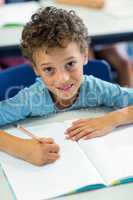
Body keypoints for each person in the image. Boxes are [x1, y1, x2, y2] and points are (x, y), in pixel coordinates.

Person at [0, 7, 133, 167]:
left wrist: (112, 119)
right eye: (49, 69)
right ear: (35, 69)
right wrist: (21, 148)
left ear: (84, 56)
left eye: (70, 64)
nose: (62, 79)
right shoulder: (30, 99)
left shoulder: (96, 89)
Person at [57, 0, 133, 87]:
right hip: (78, 33)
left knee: (125, 64)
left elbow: (102, 4)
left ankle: (127, 99)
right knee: (91, 65)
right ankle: (96, 99)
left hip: (103, 30)